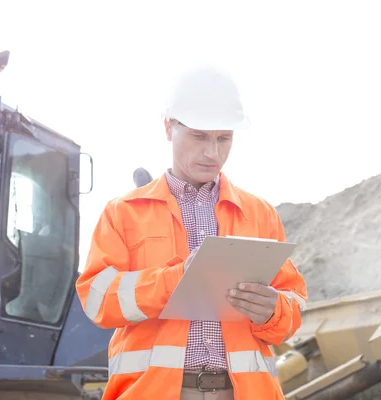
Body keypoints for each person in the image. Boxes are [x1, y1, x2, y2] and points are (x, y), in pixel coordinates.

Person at [75, 62, 308, 400]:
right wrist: (176, 279)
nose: (212, 153)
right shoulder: (123, 213)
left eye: (223, 139)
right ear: (169, 128)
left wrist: (272, 311)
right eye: (199, 137)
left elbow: (293, 307)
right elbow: (97, 301)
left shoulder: (260, 213)